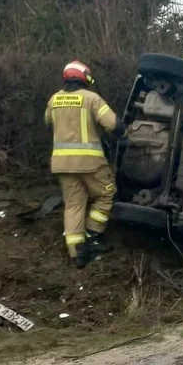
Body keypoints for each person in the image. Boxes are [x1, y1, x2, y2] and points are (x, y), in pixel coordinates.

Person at [45, 60, 125, 268]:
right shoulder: (91, 99)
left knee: (73, 204)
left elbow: (48, 123)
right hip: (90, 162)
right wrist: (123, 134)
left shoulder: (54, 99)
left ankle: (77, 254)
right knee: (107, 193)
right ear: (85, 77)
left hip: (62, 163)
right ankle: (92, 234)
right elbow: (113, 124)